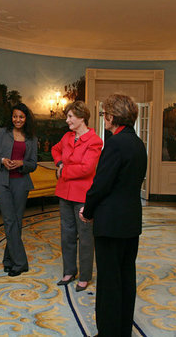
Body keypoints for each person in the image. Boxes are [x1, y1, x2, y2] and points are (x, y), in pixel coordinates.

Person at [79, 94, 147, 336]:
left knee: (109, 282)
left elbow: (101, 184)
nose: (104, 118)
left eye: (105, 114)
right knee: (126, 278)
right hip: (131, 222)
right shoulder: (138, 143)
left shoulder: (115, 144)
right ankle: (122, 331)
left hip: (110, 224)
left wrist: (87, 210)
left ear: (112, 116)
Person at [51, 101, 103, 291]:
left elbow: (87, 169)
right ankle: (69, 271)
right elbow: (55, 150)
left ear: (82, 117)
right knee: (67, 234)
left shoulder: (95, 140)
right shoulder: (67, 136)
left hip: (83, 195)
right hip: (64, 193)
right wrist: (59, 164)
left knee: (86, 236)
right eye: (67, 117)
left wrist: (63, 171)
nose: (67, 120)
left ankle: (85, 275)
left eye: (70, 117)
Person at [0, 103, 38, 277]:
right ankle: (20, 262)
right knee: (10, 220)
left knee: (16, 221)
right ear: (11, 117)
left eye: (21, 117)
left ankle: (8, 260)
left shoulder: (32, 138)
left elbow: (33, 164)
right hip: (1, 181)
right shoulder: (1, 133)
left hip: (21, 182)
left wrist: (22, 163)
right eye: (15, 116)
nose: (17, 120)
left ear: (26, 119)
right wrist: (2, 161)